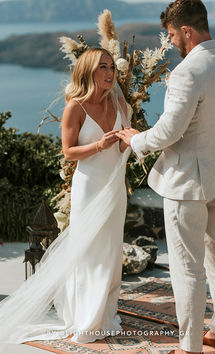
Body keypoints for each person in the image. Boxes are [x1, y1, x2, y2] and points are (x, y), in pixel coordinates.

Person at [117, 0, 215, 353]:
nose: (171, 43)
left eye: (172, 35)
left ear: (186, 30)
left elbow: (169, 131)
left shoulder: (188, 72)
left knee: (187, 267)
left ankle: (188, 347)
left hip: (186, 183)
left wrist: (135, 139)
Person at [0, 47, 130, 350]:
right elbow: (69, 152)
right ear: (88, 71)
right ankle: (85, 318)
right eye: (103, 68)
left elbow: (122, 148)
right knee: (88, 253)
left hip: (115, 188)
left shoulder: (119, 101)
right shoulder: (76, 107)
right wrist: (100, 144)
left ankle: (104, 315)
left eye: (112, 67)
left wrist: (124, 143)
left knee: (111, 254)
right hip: (90, 188)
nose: (110, 74)